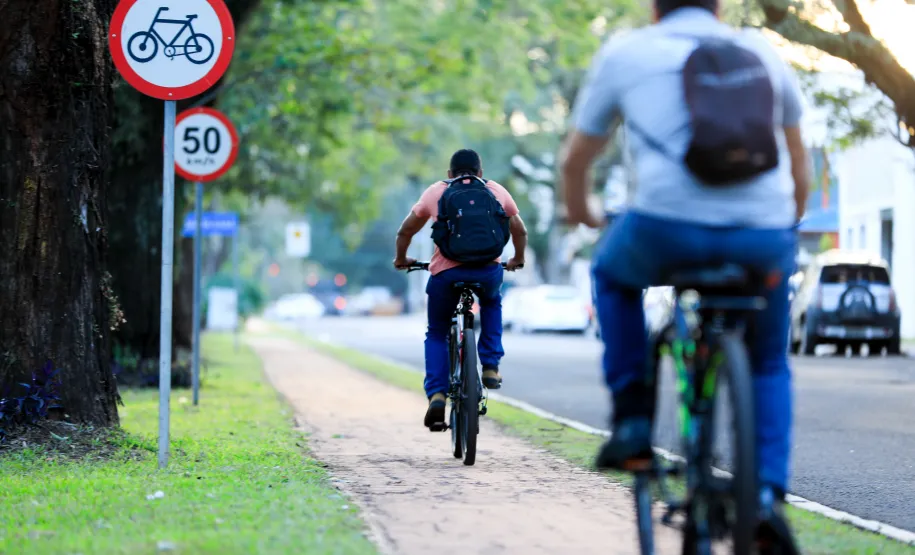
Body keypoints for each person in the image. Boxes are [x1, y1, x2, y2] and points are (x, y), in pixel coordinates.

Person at [560, 0, 808, 547]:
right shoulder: (763, 51)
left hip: (663, 226)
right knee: (768, 361)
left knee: (610, 275)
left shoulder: (627, 52)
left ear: (655, 6)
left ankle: (631, 420)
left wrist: (582, 213)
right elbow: (798, 160)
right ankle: (766, 497)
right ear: (718, 5)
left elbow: (575, 161)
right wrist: (779, 232)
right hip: (763, 235)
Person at [394, 149, 528, 429]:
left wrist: (401, 258)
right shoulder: (495, 191)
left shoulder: (436, 192)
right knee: (491, 303)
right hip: (488, 272)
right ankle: (490, 366)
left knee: (437, 331)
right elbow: (520, 230)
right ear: (480, 172)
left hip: (446, 273)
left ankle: (438, 395)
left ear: (449, 174)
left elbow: (406, 230)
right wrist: (517, 258)